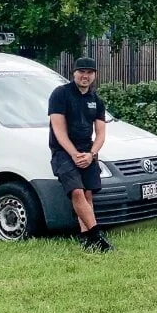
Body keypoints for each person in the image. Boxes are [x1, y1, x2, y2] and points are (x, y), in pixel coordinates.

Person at [48, 56, 112, 252]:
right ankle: (97, 237)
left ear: (95, 75)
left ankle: (85, 237)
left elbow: (100, 134)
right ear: (74, 73)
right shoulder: (60, 94)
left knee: (87, 194)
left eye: (89, 72)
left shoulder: (97, 101)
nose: (85, 76)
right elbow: (58, 130)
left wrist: (91, 154)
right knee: (76, 191)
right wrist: (75, 154)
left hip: (88, 152)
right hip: (63, 151)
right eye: (81, 71)